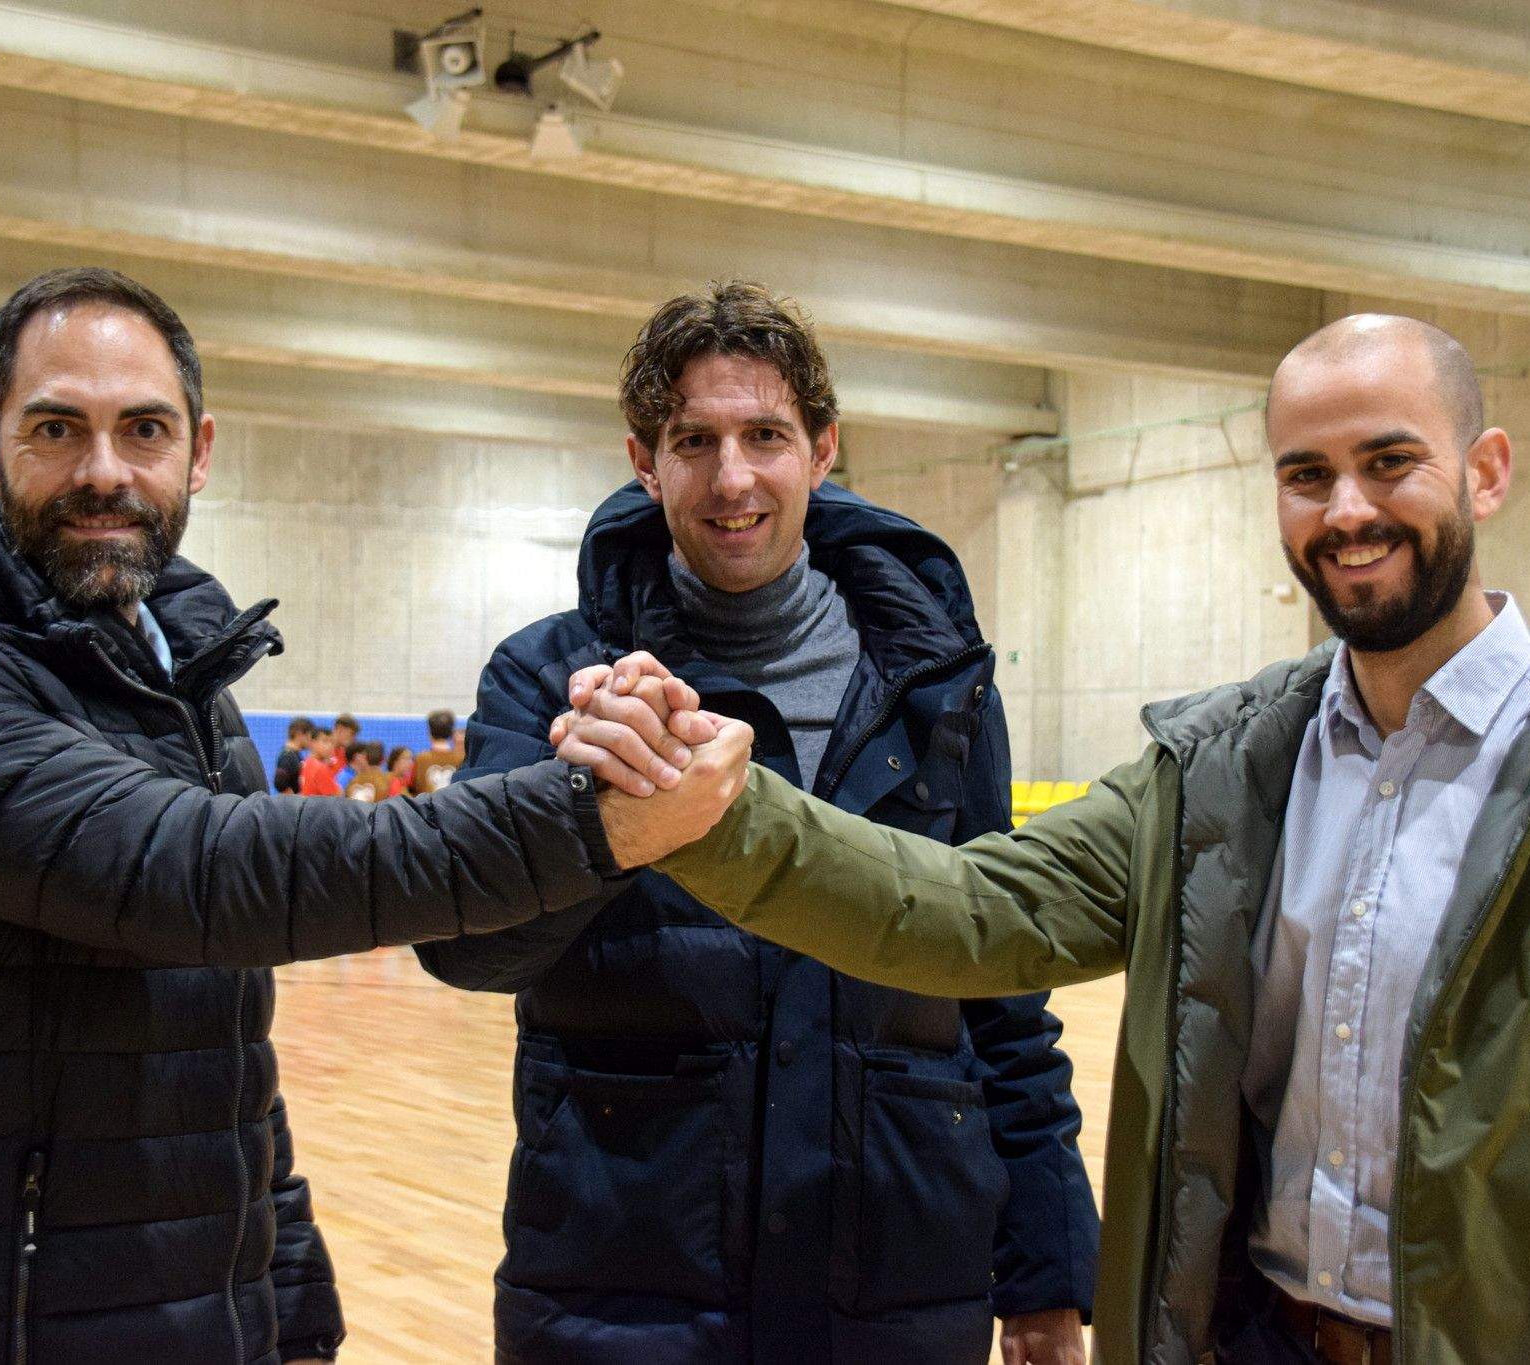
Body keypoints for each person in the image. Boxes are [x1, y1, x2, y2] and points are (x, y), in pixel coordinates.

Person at [577, 314, 1530, 1363]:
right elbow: (968, 911)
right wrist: (714, 812)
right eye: (1306, 475)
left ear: (1484, 472)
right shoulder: (1219, 772)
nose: (1346, 510)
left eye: (1389, 462)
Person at [0, 266, 647, 1365]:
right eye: (56, 428)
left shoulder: (182, 685)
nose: (104, 470)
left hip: (199, 1313)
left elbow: (224, 1047)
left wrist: (289, 1299)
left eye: (142, 429)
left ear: (197, 453)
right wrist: (589, 817)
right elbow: (196, 876)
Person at [419, 282, 1098, 1364]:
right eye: (694, 441)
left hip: (891, 1286)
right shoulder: (550, 680)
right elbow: (466, 948)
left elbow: (1005, 992)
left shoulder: (937, 689)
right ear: (644, 462)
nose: (732, 478)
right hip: (623, 1290)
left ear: (823, 450)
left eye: (765, 436)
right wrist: (584, 815)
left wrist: (1046, 1269)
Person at [409, 707, 464, 793]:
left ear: (430, 732)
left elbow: (413, 787)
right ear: (451, 733)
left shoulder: (420, 759)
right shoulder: (461, 759)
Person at [274, 714, 315, 793]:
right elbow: (280, 783)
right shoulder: (287, 756)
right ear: (299, 734)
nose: (312, 740)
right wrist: (294, 798)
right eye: (311, 736)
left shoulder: (295, 755)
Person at [298, 724, 343, 796]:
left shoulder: (306, 763)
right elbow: (337, 797)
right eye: (325, 741)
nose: (330, 746)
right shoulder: (320, 768)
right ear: (313, 743)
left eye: (332, 742)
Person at [329, 712, 360, 790]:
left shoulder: (346, 754)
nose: (354, 739)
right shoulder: (322, 755)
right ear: (340, 730)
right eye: (352, 734)